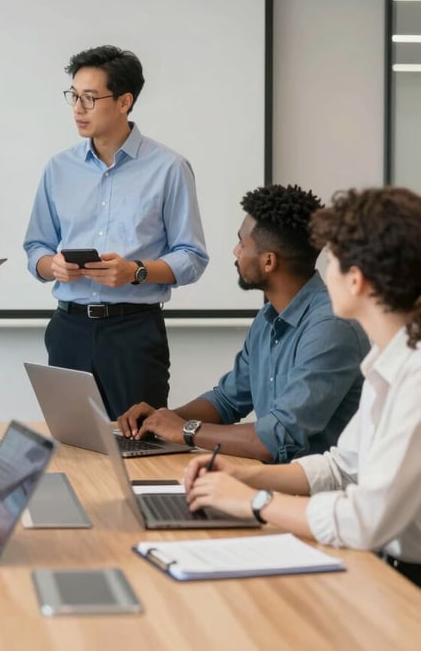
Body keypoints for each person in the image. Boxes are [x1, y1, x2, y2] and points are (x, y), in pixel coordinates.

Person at [185, 187, 421, 587]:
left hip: (406, 579)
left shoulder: (414, 378)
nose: (324, 274)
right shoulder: (389, 363)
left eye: (333, 263)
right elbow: (342, 467)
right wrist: (246, 479)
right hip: (382, 564)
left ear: (356, 281)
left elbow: (365, 519)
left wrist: (254, 503)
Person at [118, 184, 369, 462]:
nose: (235, 251)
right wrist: (162, 419)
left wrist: (186, 430)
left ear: (269, 261)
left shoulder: (331, 328)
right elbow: (227, 401)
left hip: (318, 495)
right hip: (273, 480)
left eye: (243, 244)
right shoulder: (268, 317)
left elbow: (279, 436)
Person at [24, 45, 209, 419]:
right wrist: (52, 266)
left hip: (134, 334)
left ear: (125, 101)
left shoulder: (169, 168)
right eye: (74, 96)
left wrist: (135, 271)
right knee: (72, 449)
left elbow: (192, 257)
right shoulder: (58, 168)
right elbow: (36, 247)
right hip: (68, 329)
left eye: (90, 98)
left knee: (140, 447)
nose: (78, 108)